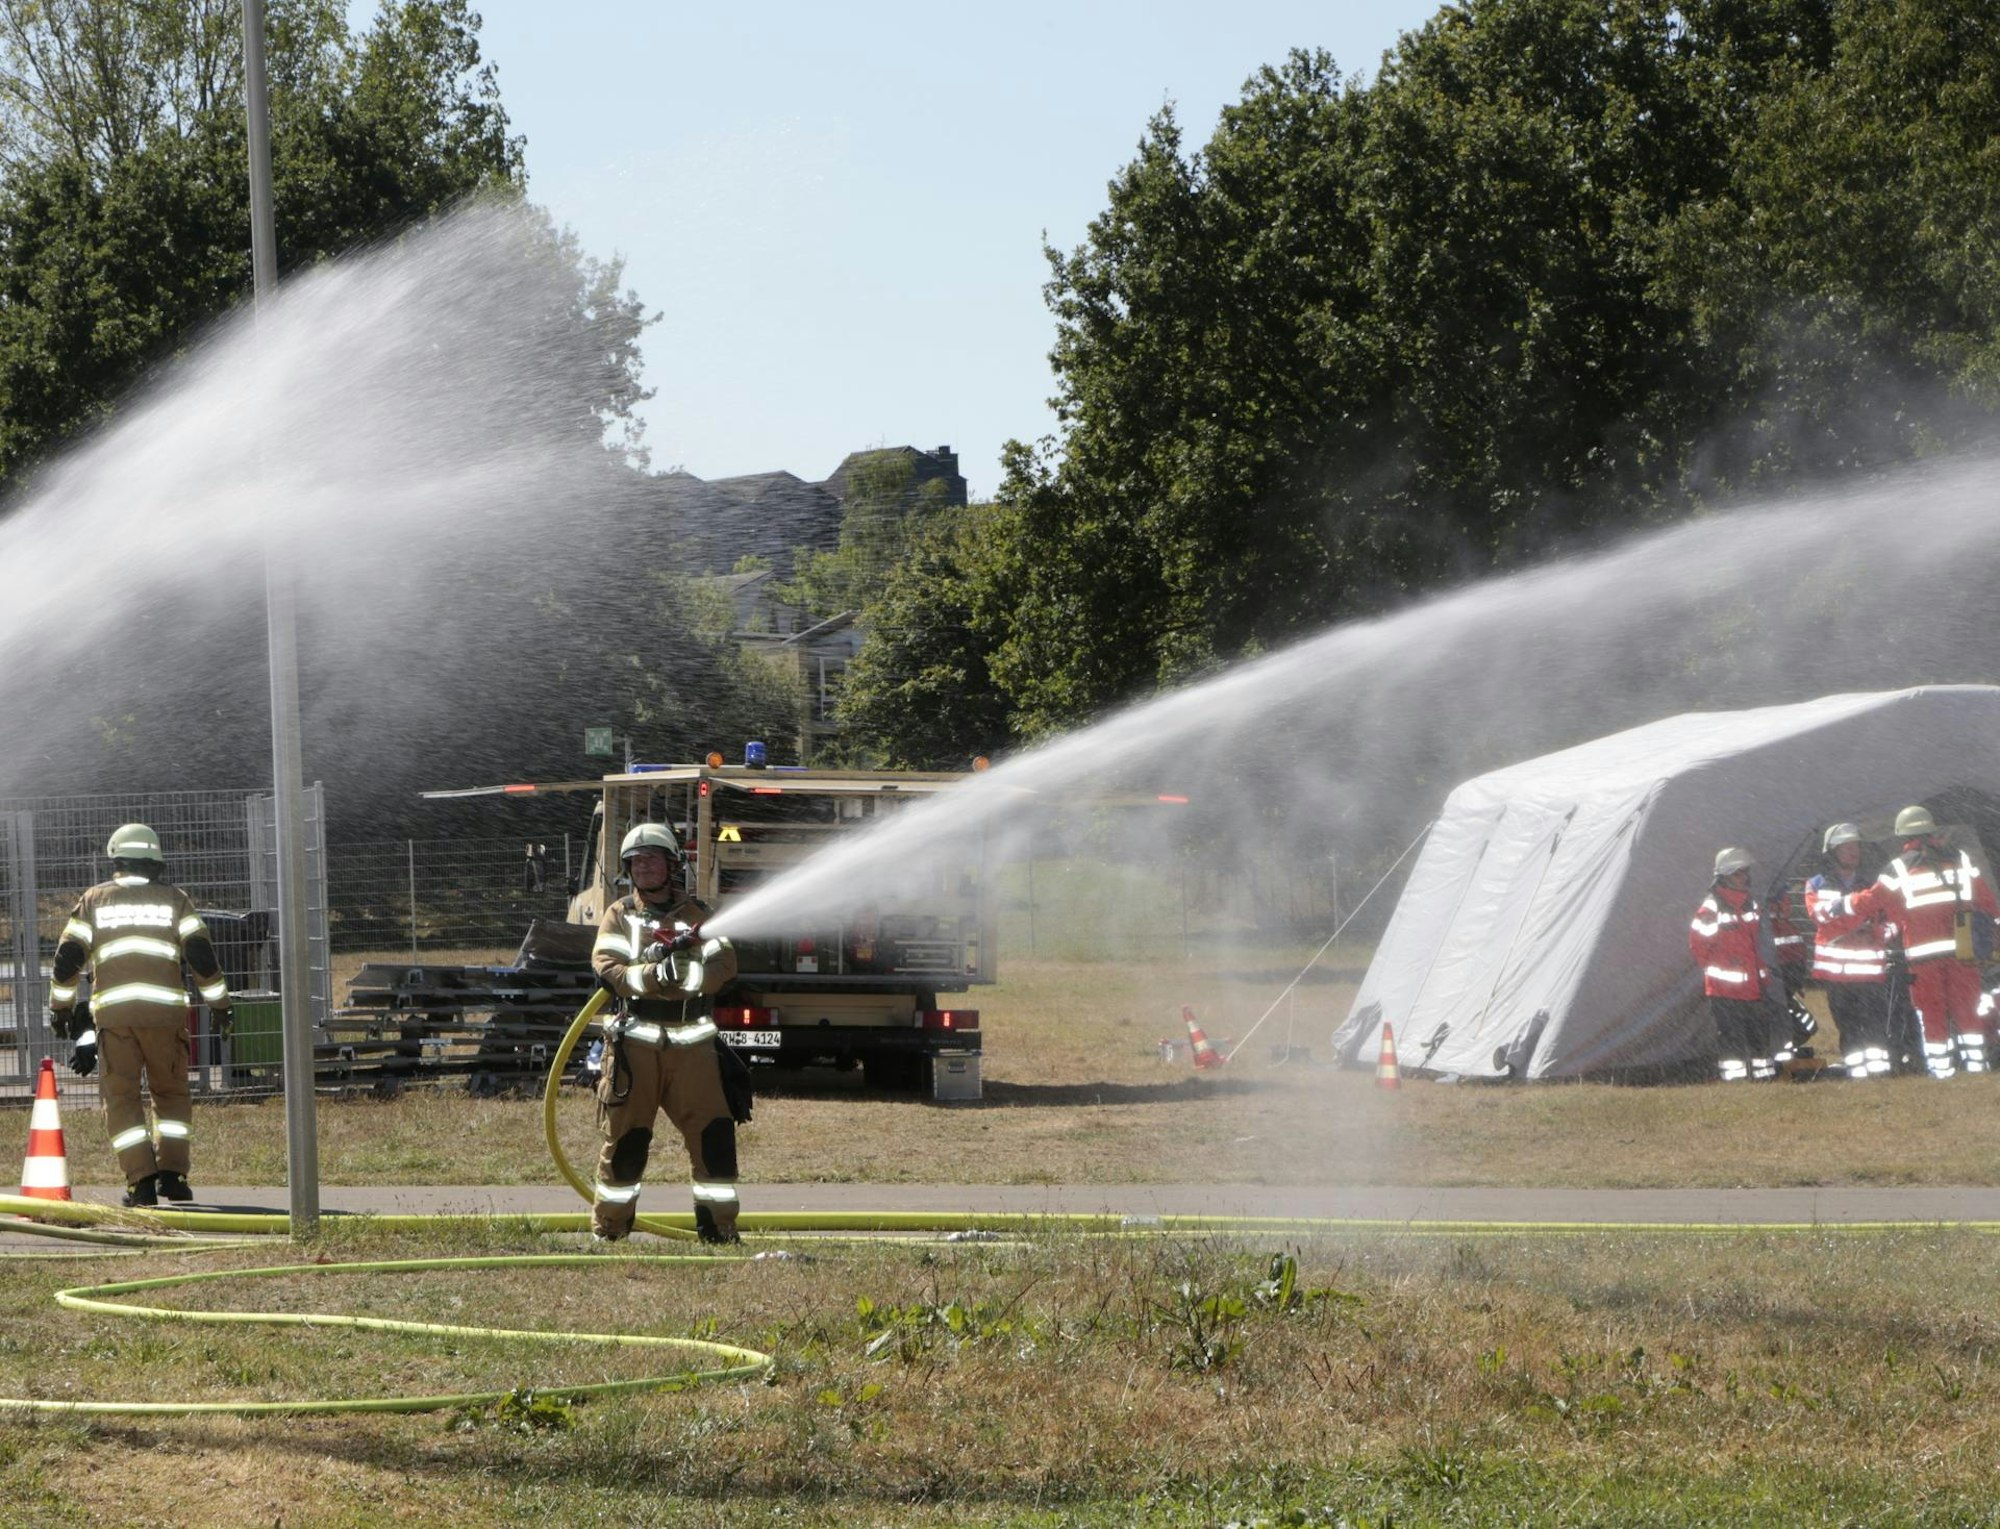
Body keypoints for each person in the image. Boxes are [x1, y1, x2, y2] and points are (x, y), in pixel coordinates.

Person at [47, 823, 233, 1207]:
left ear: (117, 858)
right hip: (165, 1018)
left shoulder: (95, 900)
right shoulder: (175, 900)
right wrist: (220, 1006)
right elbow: (201, 955)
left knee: (122, 1099)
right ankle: (175, 1177)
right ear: (156, 861)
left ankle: (141, 1183)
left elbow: (67, 960)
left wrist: (61, 1008)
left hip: (116, 1021)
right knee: (172, 1096)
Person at [588, 822, 748, 1243]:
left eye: (653, 859)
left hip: (693, 1049)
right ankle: (611, 1232)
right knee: (626, 1142)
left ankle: (719, 1231)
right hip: (635, 1047)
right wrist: (655, 976)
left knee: (714, 1138)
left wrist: (689, 975)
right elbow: (609, 969)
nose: (644, 868)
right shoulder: (619, 915)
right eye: (636, 861)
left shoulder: (700, 917)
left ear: (672, 864)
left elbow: (724, 967)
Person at [1840, 805, 1998, 1077]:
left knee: (1932, 1013)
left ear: (1904, 837)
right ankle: (1977, 1067)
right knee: (1967, 1009)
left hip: (1923, 957)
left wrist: (1843, 905)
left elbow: (1872, 900)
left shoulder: (1899, 868)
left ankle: (1942, 1070)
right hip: (1963, 951)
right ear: (1931, 831)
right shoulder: (1960, 859)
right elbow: (1987, 901)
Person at [1689, 846, 1787, 1081]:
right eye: (1738, 873)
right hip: (1725, 991)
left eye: (1745, 872)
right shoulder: (1711, 908)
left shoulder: (1750, 904)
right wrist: (1722, 971)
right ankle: (1736, 1080)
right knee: (1732, 1037)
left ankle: (1764, 1077)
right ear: (1724, 875)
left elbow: (1754, 942)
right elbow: (1699, 946)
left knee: (1759, 1035)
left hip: (1754, 987)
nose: (1744, 877)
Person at [1805, 823, 1893, 1079]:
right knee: (1848, 1025)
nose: (1853, 851)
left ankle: (1878, 1072)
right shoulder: (1816, 884)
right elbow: (1820, 915)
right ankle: (1856, 1070)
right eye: (1846, 847)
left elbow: (1891, 920)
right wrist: (1860, 915)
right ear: (1832, 852)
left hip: (1870, 972)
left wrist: (1876, 932)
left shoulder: (1873, 883)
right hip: (1836, 975)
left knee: (1874, 1025)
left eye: (1856, 845)